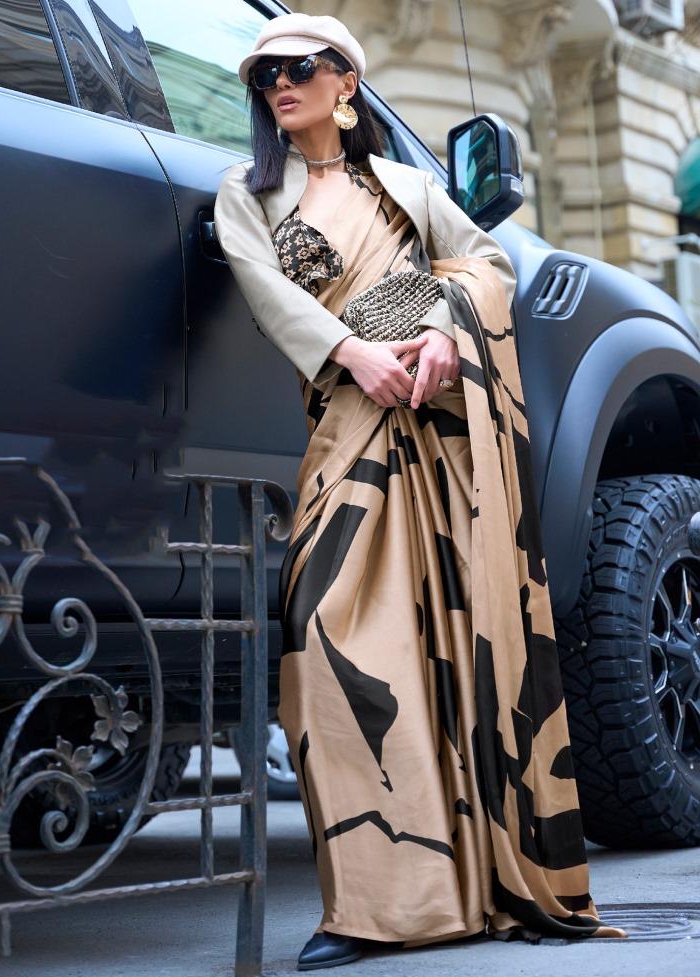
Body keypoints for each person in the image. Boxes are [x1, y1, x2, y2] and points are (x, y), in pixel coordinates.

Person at [214, 12, 628, 971]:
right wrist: (355, 349)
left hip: (439, 435)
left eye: (300, 66)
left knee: (448, 647)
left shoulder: (407, 185)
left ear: (346, 84)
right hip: (345, 427)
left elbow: (484, 264)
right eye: (266, 74)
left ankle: (464, 890)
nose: (281, 83)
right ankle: (373, 903)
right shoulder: (250, 190)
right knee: (326, 640)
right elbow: (263, 286)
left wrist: (442, 331)